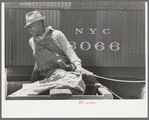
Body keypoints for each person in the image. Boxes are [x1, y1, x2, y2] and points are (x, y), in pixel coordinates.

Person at [25, 11, 99, 95]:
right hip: (52, 73)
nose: (29, 29)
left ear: (39, 23)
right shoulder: (32, 41)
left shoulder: (57, 34)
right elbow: (38, 59)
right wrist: (34, 77)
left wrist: (78, 66)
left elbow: (69, 50)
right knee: (74, 80)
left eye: (30, 26)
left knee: (91, 78)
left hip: (66, 68)